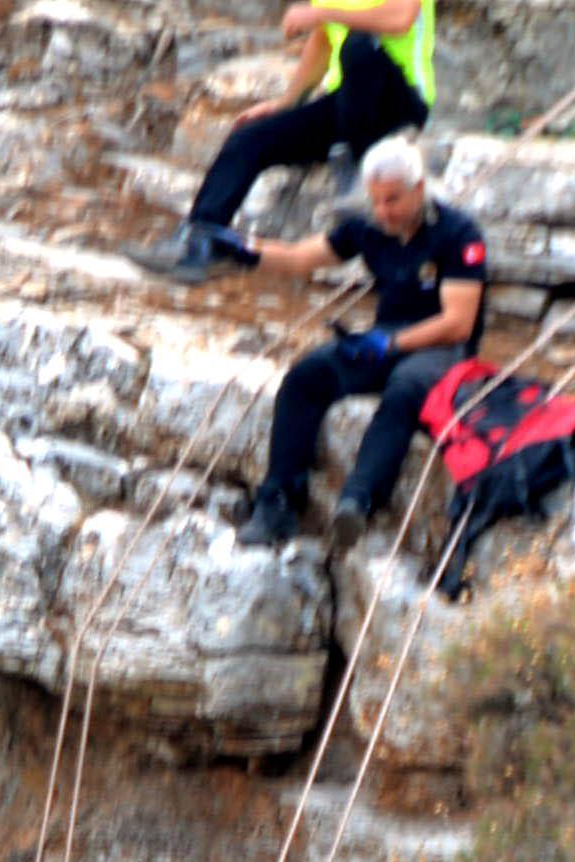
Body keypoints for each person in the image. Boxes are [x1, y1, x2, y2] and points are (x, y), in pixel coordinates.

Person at [205, 144, 493, 549]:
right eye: (376, 201)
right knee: (306, 377)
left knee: (405, 390)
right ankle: (278, 502)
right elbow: (299, 257)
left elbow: (458, 324)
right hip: (387, 336)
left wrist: (388, 343)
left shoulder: (458, 234)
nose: (383, 212)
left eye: (393, 200)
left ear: (419, 189)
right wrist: (243, 249)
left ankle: (358, 499)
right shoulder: (368, 226)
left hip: (442, 347)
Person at [151, 0, 441, 276]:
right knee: (250, 138)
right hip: (347, 104)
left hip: (401, 102)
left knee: (359, 45)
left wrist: (322, 14)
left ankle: (354, 164)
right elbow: (323, 40)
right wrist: (286, 102)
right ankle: (200, 241)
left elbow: (400, 18)